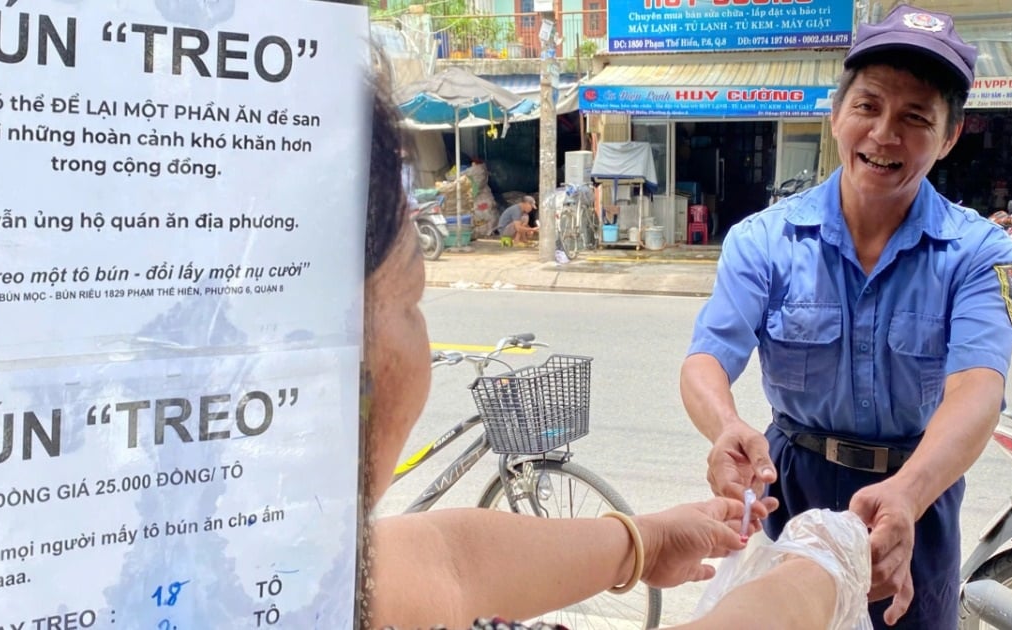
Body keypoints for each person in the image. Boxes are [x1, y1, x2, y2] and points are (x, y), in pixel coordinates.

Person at [360, 60, 859, 630]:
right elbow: (709, 354)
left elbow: (448, 562)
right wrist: (819, 570)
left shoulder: (314, 569)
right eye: (410, 301)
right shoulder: (763, 239)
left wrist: (643, 541)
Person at [679, 5, 1012, 628]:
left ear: (949, 137)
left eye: (916, 117)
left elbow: (978, 389)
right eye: (868, 106)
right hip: (790, 487)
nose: (885, 134)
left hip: (914, 493)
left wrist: (910, 495)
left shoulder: (980, 251)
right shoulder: (764, 240)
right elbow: (708, 356)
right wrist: (725, 425)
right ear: (836, 114)